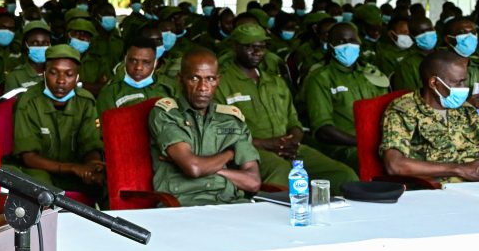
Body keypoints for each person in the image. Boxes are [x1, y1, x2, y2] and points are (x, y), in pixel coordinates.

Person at [214, 24, 357, 189]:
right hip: (252, 150)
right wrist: (267, 144)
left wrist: (293, 141)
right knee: (281, 173)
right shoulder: (222, 83)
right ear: (235, 46)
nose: (257, 51)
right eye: (249, 46)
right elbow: (222, 132)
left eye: (261, 46)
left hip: (289, 149)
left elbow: (294, 121)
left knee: (343, 175)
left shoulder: (275, 81)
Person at [148, 48, 261, 206]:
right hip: (184, 205)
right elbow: (193, 168)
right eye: (194, 78)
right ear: (181, 79)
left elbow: (253, 182)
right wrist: (229, 154)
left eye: (210, 79)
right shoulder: (167, 114)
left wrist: (212, 169)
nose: (203, 87)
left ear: (218, 80)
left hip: (229, 202)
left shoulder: (231, 119)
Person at [12, 45, 105, 197]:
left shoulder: (85, 101)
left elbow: (90, 144)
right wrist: (73, 168)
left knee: (107, 178)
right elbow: (29, 158)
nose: (61, 81)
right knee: (40, 185)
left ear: (77, 78)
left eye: (69, 74)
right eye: (54, 73)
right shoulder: (28, 102)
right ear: (44, 73)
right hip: (40, 171)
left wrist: (91, 166)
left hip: (75, 172)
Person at [381, 51, 479, 182]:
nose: (464, 88)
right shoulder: (404, 110)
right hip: (439, 190)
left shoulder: (465, 108)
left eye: (464, 81)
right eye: (457, 82)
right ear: (433, 83)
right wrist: (459, 169)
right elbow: (395, 165)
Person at [302, 22, 388, 169]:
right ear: (330, 46)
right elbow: (323, 130)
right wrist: (361, 141)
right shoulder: (320, 78)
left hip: (379, 143)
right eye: (340, 42)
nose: (347, 45)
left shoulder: (371, 74)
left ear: (360, 43)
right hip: (343, 148)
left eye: (352, 41)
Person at [96, 37, 172, 114]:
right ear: (125, 60)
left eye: (146, 62)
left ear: (155, 63)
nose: (138, 67)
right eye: (133, 61)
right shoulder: (110, 92)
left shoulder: (169, 87)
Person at [390, 16, 438, 91]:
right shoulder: (407, 65)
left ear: (434, 29)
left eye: (429, 30)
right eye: (420, 32)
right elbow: (406, 97)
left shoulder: (445, 54)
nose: (426, 35)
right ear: (412, 37)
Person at [3, 21, 53, 92]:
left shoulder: (56, 72)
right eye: (35, 43)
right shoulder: (15, 76)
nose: (40, 46)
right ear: (25, 45)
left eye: (45, 43)